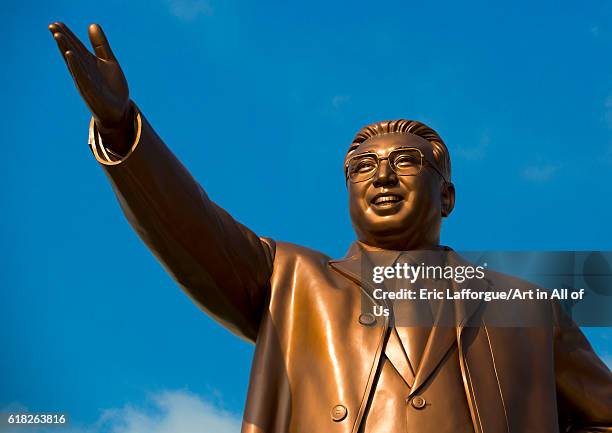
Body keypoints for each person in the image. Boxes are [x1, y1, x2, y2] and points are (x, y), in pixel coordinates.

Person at [49, 22, 612, 433]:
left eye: (408, 161)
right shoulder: (291, 282)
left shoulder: (528, 307)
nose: (382, 175)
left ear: (447, 195)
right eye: (363, 167)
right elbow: (190, 226)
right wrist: (122, 128)